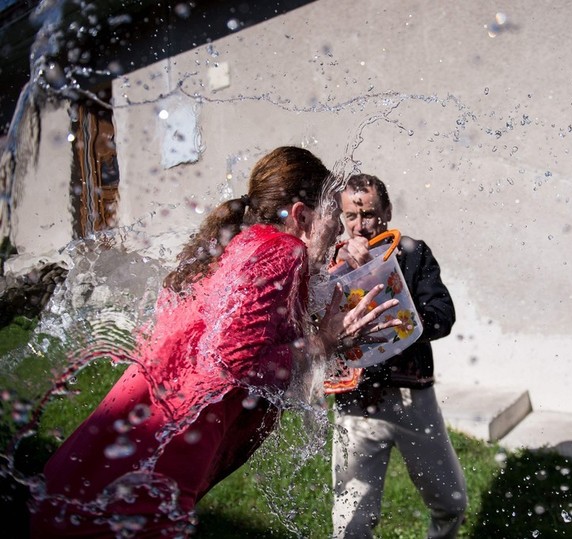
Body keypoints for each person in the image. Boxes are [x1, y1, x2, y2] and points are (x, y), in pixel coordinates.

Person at [29, 147, 402, 537]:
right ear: (301, 215)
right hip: (146, 475)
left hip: (107, 461)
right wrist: (324, 342)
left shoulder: (244, 246)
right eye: (333, 218)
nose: (340, 231)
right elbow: (235, 360)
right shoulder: (282, 250)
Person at [329, 174, 468, 538]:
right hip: (357, 403)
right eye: (351, 217)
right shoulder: (331, 260)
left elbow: (443, 314)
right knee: (351, 524)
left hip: (412, 399)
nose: (360, 226)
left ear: (387, 212)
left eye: (369, 215)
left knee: (451, 504)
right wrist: (342, 267)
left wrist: (402, 319)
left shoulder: (411, 252)